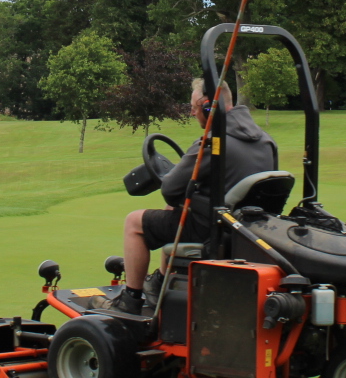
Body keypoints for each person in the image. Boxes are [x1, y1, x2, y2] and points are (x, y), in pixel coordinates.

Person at [111, 78, 278, 313]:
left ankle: (130, 300)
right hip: (248, 231)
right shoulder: (266, 141)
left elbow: (170, 190)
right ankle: (160, 282)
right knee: (175, 212)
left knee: (134, 223)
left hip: (213, 232)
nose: (191, 113)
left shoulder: (213, 143)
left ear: (210, 107)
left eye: (194, 107)